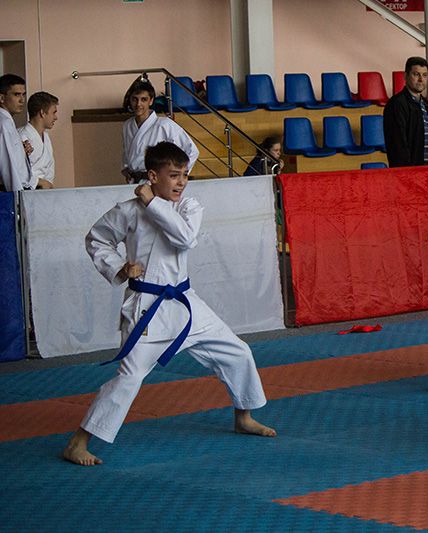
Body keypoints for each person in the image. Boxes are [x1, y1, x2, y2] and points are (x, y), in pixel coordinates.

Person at [62, 141, 274, 466]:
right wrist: (119, 267)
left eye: (185, 175)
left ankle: (243, 416)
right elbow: (97, 239)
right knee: (130, 376)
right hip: (147, 305)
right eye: (173, 175)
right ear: (152, 176)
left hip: (185, 303)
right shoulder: (128, 211)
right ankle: (78, 442)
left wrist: (152, 203)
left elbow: (185, 238)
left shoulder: (189, 207)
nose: (181, 182)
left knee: (238, 351)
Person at [121, 77, 199, 184]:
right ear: (130, 100)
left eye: (143, 99)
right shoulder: (127, 125)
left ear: (151, 101)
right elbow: (127, 153)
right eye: (135, 99)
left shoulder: (164, 124)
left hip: (156, 182)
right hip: (133, 181)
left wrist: (178, 176)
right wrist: (126, 169)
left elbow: (192, 150)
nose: (138, 104)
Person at [383, 56, 428, 167]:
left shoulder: (426, 104)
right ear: (406, 76)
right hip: (412, 170)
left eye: (425, 75)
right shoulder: (397, 104)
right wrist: (408, 171)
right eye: (416, 74)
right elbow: (397, 144)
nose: (421, 79)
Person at [17, 91, 58, 189]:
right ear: (42, 113)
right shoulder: (21, 136)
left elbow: (50, 168)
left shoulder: (46, 137)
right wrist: (39, 182)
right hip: (27, 190)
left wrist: (48, 184)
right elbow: (17, 171)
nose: (56, 117)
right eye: (54, 113)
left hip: (44, 191)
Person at [0, 73, 33, 192]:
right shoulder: (4, 123)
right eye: (16, 94)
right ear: (2, 98)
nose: (22, 100)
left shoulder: (7, 122)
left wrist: (20, 151)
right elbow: (7, 165)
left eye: (23, 94)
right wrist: (18, 196)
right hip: (12, 190)